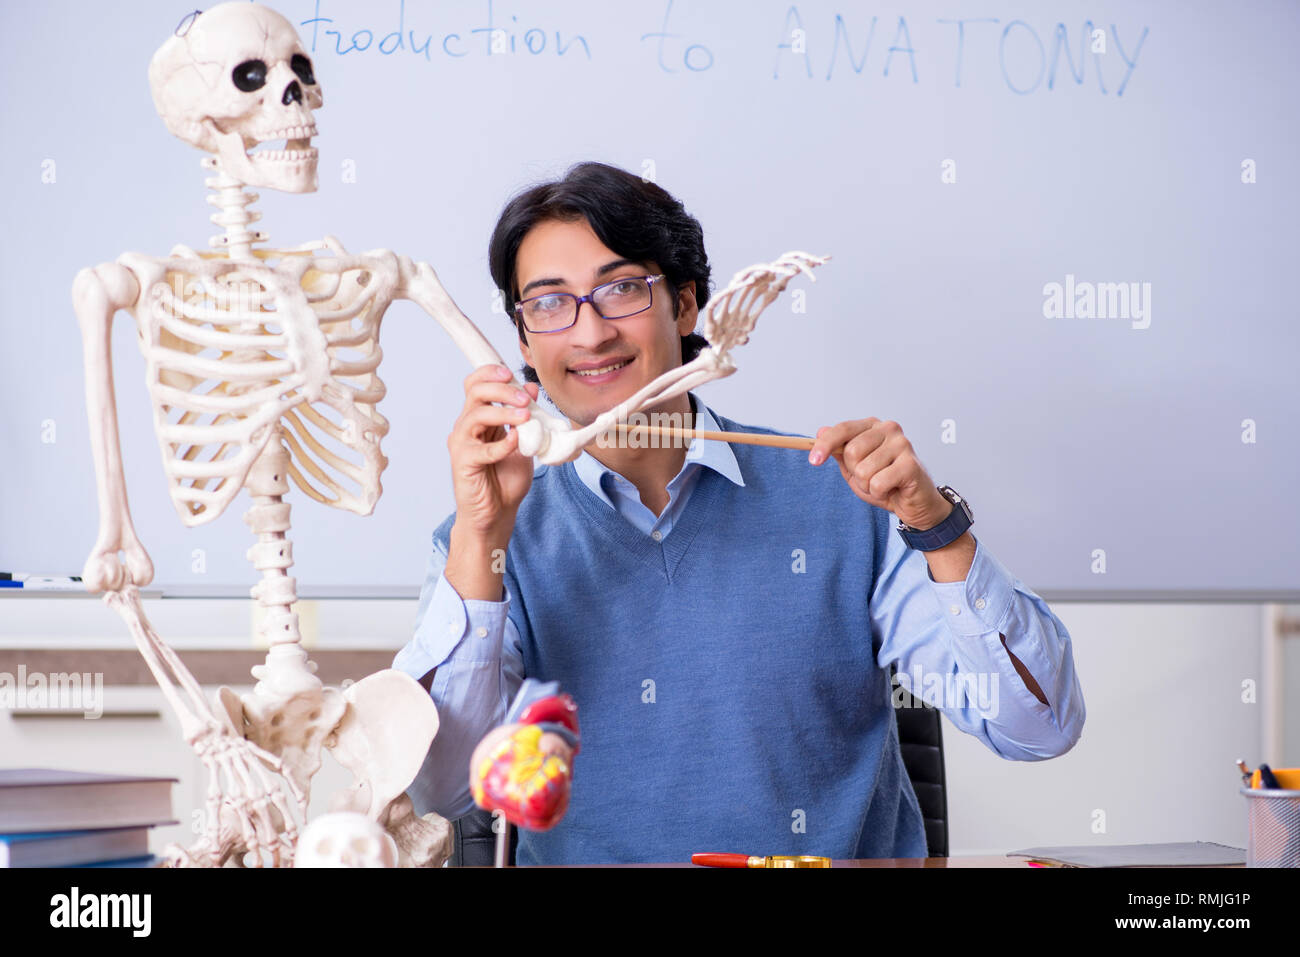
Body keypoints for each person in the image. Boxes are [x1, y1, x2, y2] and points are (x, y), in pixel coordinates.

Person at [392, 161, 1085, 865]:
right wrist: (483, 534)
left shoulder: (845, 496)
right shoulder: (483, 542)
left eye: (622, 288)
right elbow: (443, 790)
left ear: (685, 304)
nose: (590, 333)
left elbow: (1040, 727)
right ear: (523, 340)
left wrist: (936, 525)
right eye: (549, 303)